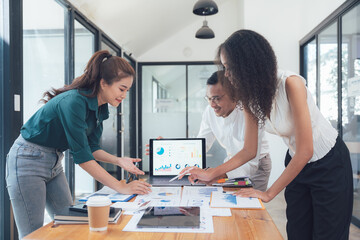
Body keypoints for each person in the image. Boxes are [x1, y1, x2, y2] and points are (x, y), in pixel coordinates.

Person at [180, 30, 353, 239]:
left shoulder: (290, 83)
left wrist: (269, 192)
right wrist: (212, 173)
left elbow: (306, 150)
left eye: (229, 67)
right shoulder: (250, 95)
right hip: (296, 161)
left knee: (328, 234)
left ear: (248, 64)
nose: (226, 74)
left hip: (329, 162)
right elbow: (249, 150)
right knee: (298, 233)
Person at [6, 50, 151, 238]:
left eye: (127, 91)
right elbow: (83, 158)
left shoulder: (100, 107)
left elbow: (91, 147)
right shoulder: (74, 102)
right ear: (103, 83)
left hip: (53, 161)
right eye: (121, 89)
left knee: (68, 221)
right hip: (27, 159)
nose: (124, 95)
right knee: (32, 234)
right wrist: (121, 187)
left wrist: (119, 161)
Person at [197, 70, 271, 191]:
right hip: (232, 161)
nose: (212, 104)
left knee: (250, 205)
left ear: (234, 94)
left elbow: (250, 161)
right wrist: (176, 150)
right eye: (209, 98)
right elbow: (201, 144)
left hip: (257, 163)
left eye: (216, 98)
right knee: (228, 200)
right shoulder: (209, 112)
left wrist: (217, 174)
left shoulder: (250, 111)